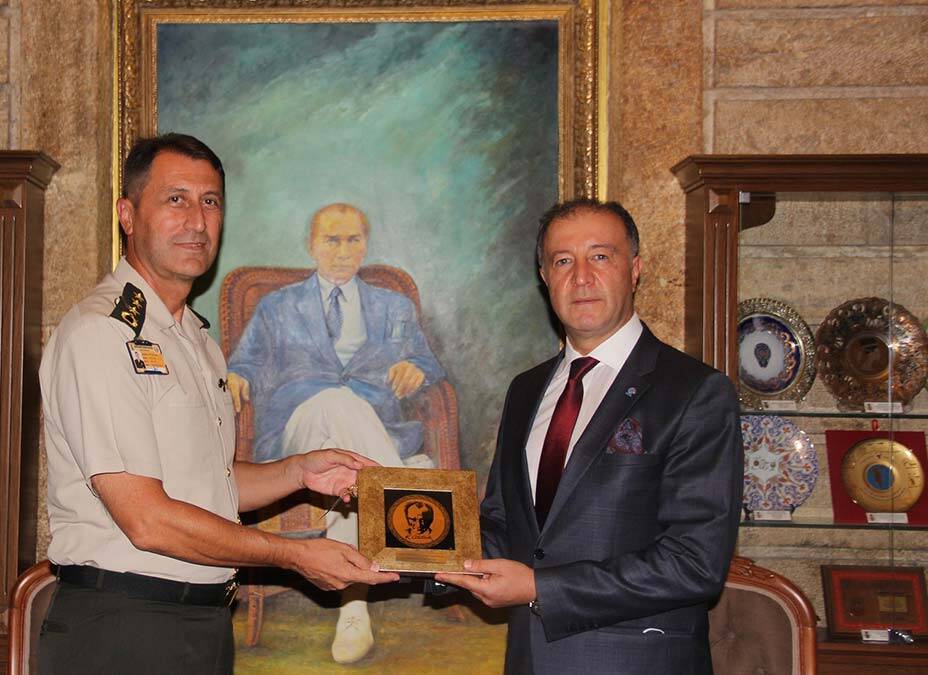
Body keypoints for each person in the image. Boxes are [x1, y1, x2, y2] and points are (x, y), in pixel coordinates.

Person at [37, 134, 398, 674]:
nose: (197, 221)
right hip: (124, 625)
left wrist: (300, 471)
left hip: (200, 623)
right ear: (128, 215)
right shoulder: (102, 334)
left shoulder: (195, 340)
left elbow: (212, 484)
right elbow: (147, 519)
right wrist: (293, 554)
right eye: (175, 199)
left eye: (210, 202)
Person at [437, 199, 742, 674]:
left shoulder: (694, 392)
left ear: (634, 269)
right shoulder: (526, 389)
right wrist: (410, 545)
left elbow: (694, 562)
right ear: (545, 277)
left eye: (600, 256)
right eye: (563, 261)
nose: (581, 277)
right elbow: (503, 523)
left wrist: (540, 588)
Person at [225, 202, 445, 662]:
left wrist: (417, 368)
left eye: (353, 240)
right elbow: (246, 361)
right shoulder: (276, 306)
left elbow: (427, 362)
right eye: (332, 240)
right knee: (335, 401)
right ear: (312, 245)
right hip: (296, 433)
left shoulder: (394, 307)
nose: (343, 251)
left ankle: (353, 608)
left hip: (369, 430)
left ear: (365, 245)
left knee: (345, 456)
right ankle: (411, 508)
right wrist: (237, 375)